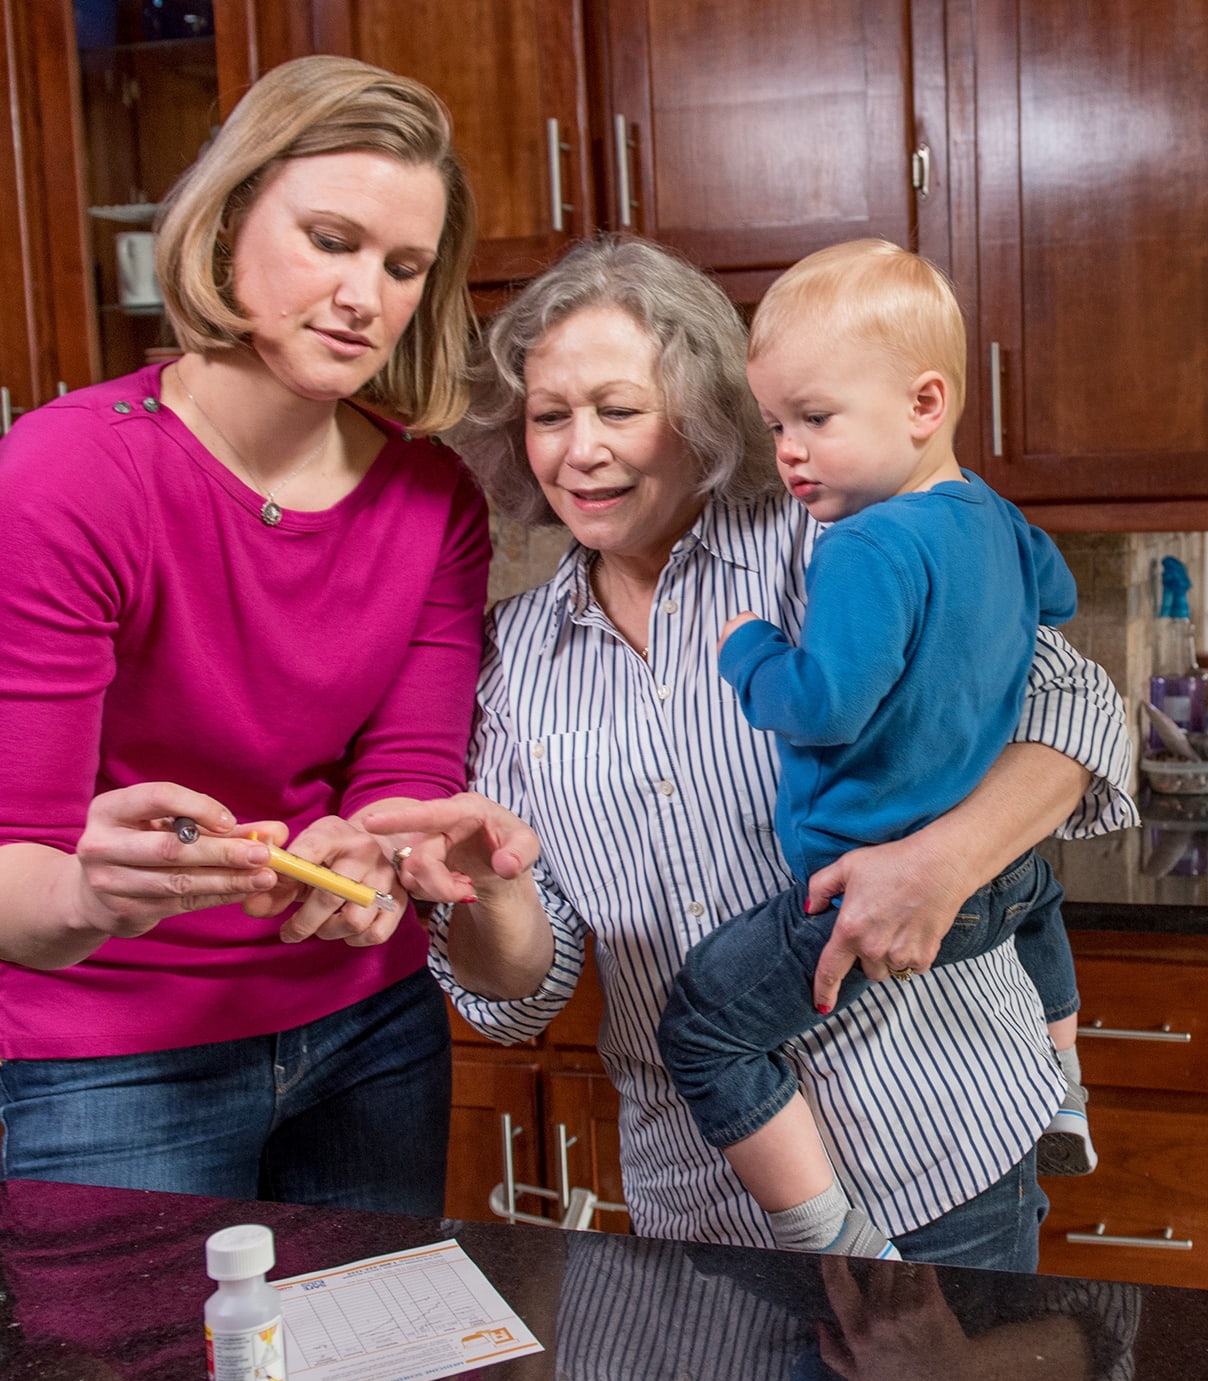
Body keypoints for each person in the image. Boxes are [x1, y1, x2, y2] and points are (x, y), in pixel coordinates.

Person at [369, 235, 1137, 1271]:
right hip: (702, 1198)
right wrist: (488, 892)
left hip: (937, 1151)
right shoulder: (509, 663)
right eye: (549, 416)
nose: (577, 449)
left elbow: (1081, 705)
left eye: (617, 408)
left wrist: (942, 864)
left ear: (696, 412)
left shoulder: (839, 533)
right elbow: (519, 995)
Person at [0, 55, 490, 1212]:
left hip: (369, 1030)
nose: (363, 297)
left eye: (402, 267)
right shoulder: (67, 475)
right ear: (229, 223)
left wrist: (375, 854)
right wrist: (93, 894)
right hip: (115, 1053)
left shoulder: (436, 499)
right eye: (329, 239)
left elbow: (405, 781)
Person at [655, 238, 1094, 1265]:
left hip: (859, 889)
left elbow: (825, 707)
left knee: (704, 1026)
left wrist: (748, 649)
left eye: (814, 418)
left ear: (923, 404)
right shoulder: (989, 513)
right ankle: (1064, 1088)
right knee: (1038, 893)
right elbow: (1057, 603)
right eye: (774, 426)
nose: (790, 453)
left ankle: (829, 1236)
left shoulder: (859, 541)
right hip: (995, 875)